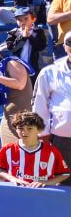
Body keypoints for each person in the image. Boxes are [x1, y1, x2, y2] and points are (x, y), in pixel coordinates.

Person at [0, 111, 69, 187]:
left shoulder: (51, 151)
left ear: (39, 130)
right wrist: (13, 179)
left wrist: (48, 182)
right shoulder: (8, 149)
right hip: (15, 192)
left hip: (42, 195)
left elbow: (64, 174)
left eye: (29, 128)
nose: (24, 132)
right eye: (21, 128)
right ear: (16, 129)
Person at [33, 33, 71, 163]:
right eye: (70, 42)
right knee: (62, 179)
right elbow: (39, 103)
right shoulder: (49, 72)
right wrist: (42, 132)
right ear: (64, 47)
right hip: (61, 137)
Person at [1, 6, 49, 73]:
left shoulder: (38, 32)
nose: (23, 21)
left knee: (33, 82)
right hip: (17, 67)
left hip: (33, 66)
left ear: (33, 19)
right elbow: (12, 48)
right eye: (19, 20)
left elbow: (41, 47)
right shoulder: (13, 33)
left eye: (26, 19)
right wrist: (22, 38)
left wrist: (30, 36)